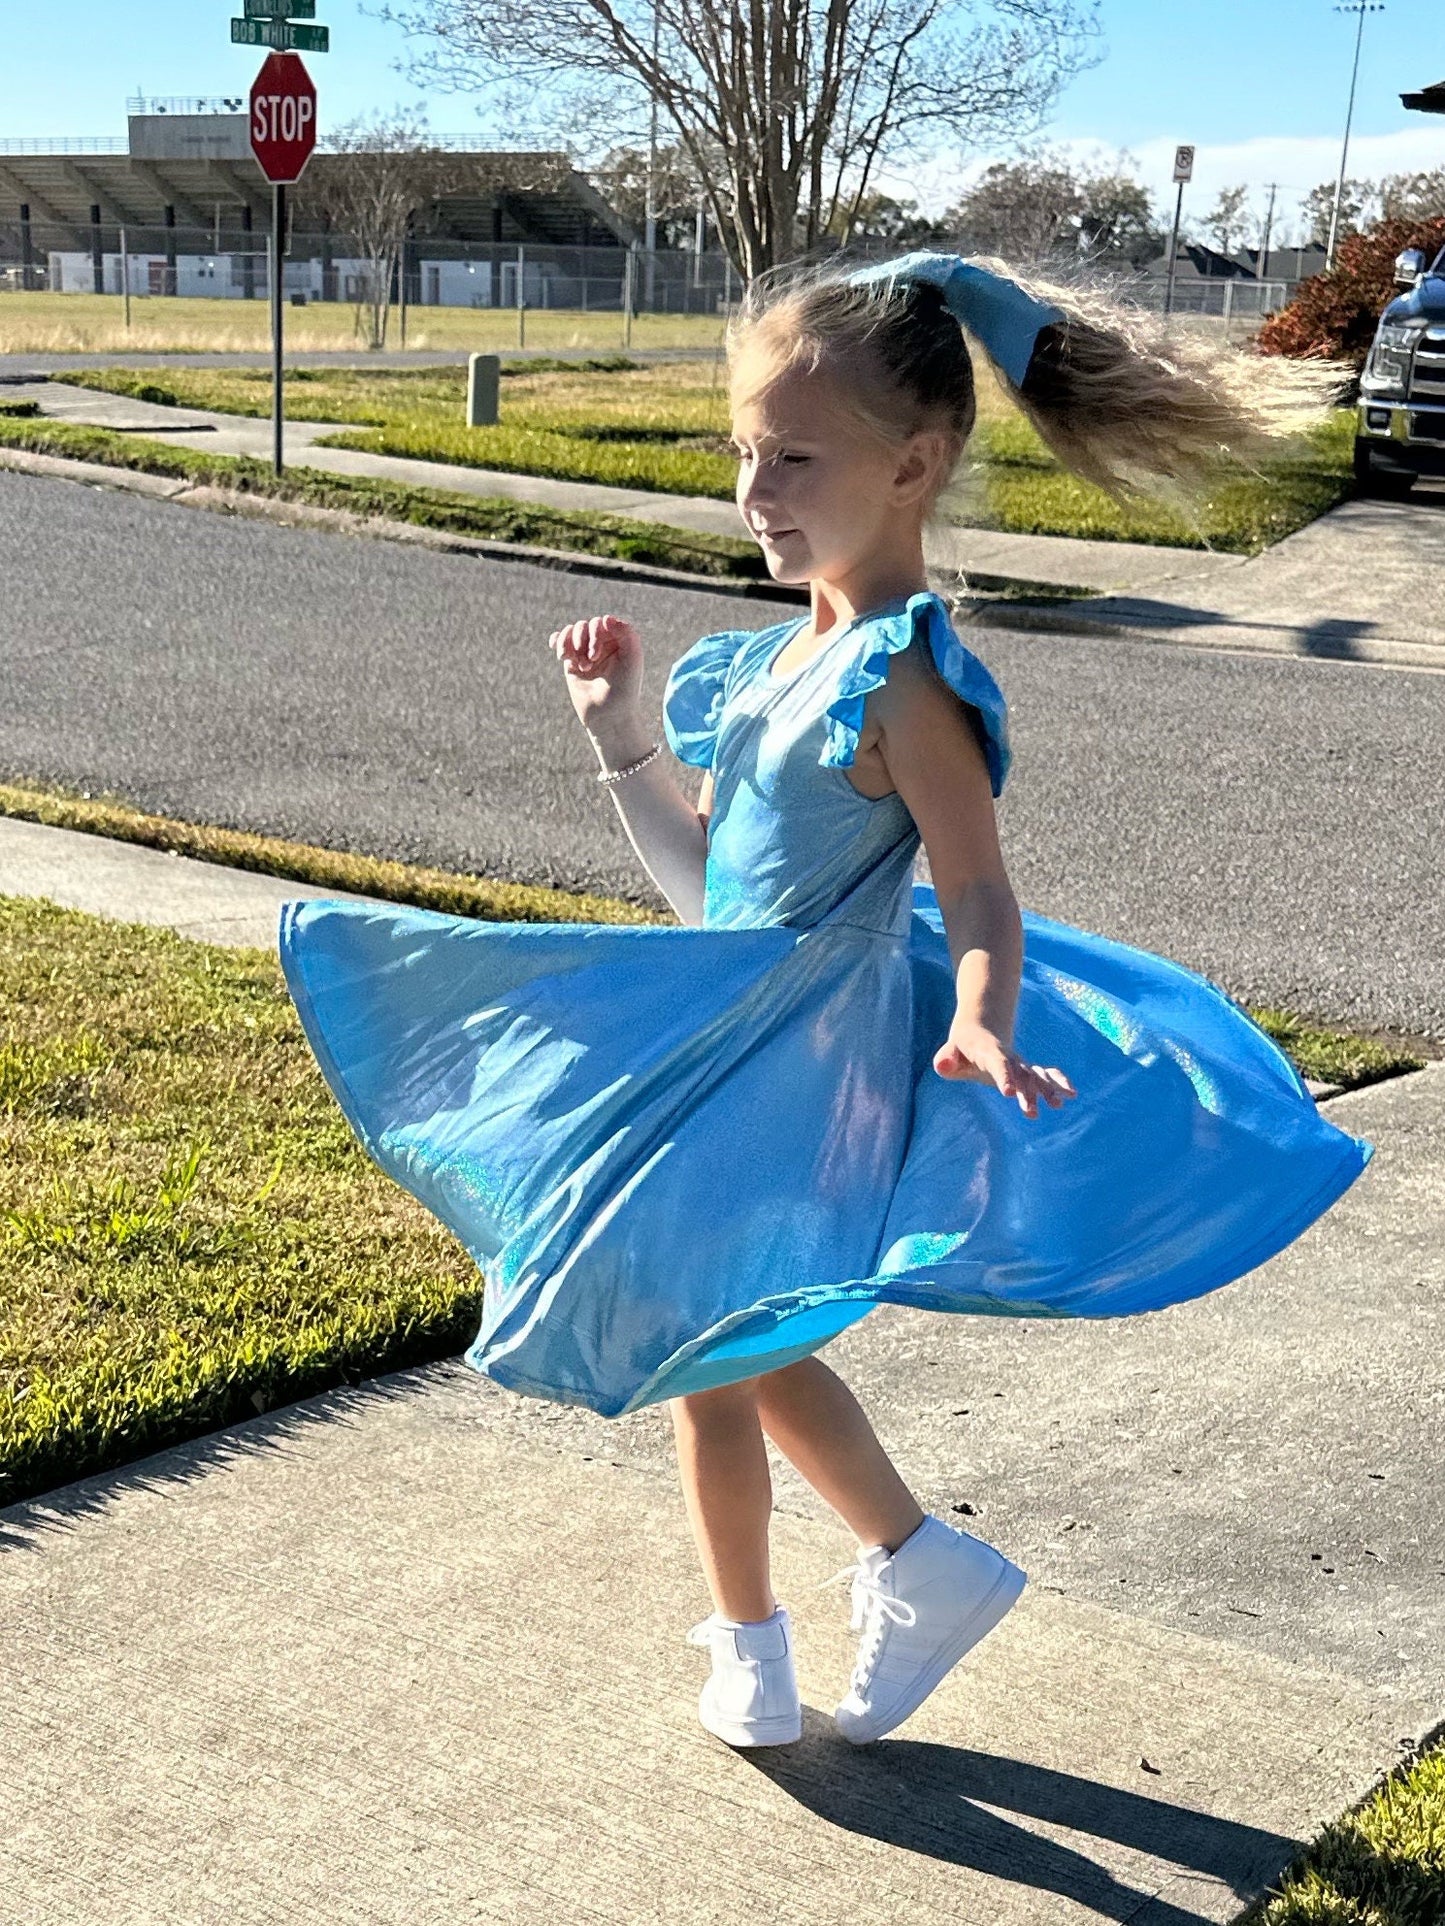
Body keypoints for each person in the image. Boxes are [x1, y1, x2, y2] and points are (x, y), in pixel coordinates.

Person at [278, 252, 1372, 1752]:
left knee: (704, 1345)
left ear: (913, 466)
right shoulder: (770, 662)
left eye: (793, 456)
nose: (754, 488)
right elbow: (707, 888)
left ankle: (786, 1626)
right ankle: (891, 1577)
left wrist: (982, 1012)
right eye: (743, 451)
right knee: (722, 1346)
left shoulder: (901, 680)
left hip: (807, 1067)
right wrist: (622, 743)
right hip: (737, 1039)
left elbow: (978, 891)